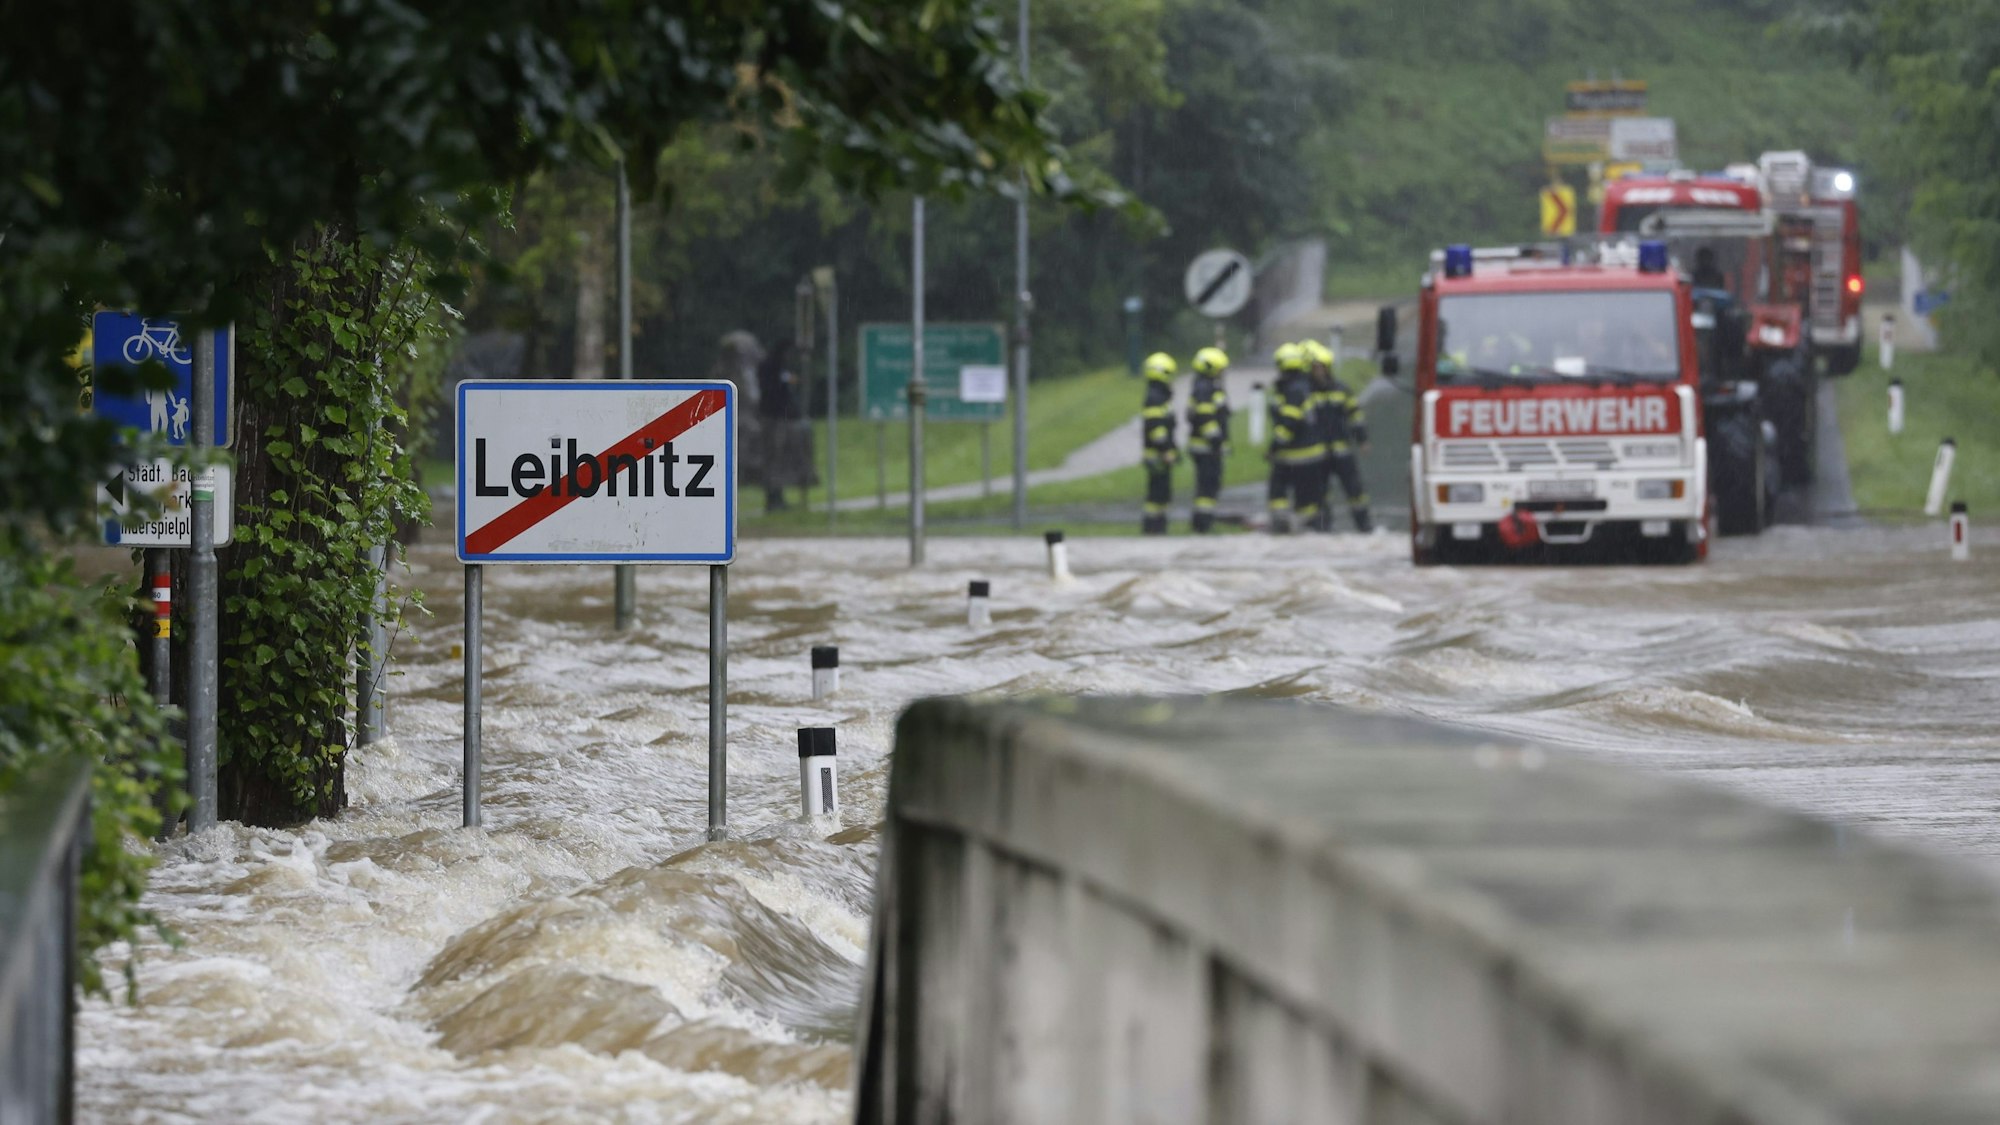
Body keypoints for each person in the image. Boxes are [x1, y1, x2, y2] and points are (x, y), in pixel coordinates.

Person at [1305, 340, 1372, 532]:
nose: (1319, 372)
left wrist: (1363, 440)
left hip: (1342, 450)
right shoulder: (1307, 391)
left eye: (1321, 368)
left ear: (1327, 368)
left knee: (1354, 490)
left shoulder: (1341, 389)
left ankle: (1364, 526)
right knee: (1320, 492)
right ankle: (1324, 528)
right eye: (1315, 368)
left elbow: (1355, 416)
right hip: (1319, 452)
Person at [1266, 343, 1322, 534]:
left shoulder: (1292, 389)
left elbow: (1289, 423)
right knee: (1307, 497)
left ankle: (1284, 528)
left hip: (1292, 454)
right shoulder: (1304, 386)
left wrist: (1274, 447)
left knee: (1278, 492)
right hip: (1310, 454)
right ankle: (1310, 530)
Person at [756, 340, 816, 512]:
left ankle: (777, 496)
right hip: (774, 418)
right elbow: (772, 391)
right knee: (773, 460)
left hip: (778, 417)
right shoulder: (771, 368)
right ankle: (773, 498)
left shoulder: (776, 368)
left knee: (776, 461)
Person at [1184, 347, 1231, 533]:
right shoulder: (1205, 387)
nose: (1222, 373)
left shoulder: (1204, 385)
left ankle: (1203, 521)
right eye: (1220, 369)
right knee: (1207, 485)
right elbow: (1205, 417)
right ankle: (1202, 523)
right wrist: (1216, 440)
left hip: (1206, 447)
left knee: (1208, 485)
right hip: (1207, 448)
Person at [1138, 351, 1179, 534]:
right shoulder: (1155, 397)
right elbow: (1156, 428)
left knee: (1161, 492)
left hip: (1158, 453)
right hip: (1158, 455)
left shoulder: (1157, 395)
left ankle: (1158, 526)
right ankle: (1153, 528)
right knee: (1157, 493)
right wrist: (1166, 450)